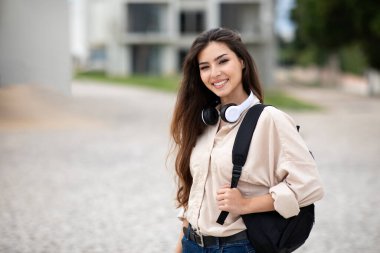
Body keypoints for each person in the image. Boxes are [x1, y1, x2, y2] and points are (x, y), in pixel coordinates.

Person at [170, 28, 324, 253]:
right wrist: (181, 246)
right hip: (192, 243)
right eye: (205, 67)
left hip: (236, 246)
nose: (214, 73)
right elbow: (195, 193)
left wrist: (246, 204)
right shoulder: (206, 121)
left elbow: (309, 186)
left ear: (242, 61)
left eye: (222, 61)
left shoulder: (270, 120)